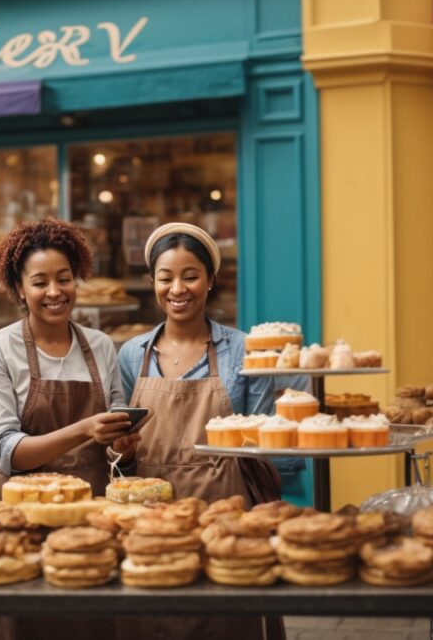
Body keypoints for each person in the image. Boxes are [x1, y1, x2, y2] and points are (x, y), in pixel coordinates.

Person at [116, 222, 310, 640]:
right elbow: (123, 453)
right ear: (152, 282)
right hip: (154, 524)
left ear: (211, 281)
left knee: (226, 622)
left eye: (190, 276)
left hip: (229, 518)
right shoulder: (133, 354)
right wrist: (125, 452)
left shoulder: (243, 349)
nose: (177, 289)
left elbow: (266, 442)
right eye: (165, 278)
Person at [0, 218, 133, 640]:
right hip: (17, 511)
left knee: (88, 619)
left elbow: (113, 442)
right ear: (19, 289)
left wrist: (123, 443)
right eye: (40, 282)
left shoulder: (100, 346)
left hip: (87, 509)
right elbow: (7, 450)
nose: (55, 292)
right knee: (22, 620)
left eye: (64, 279)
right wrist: (84, 428)